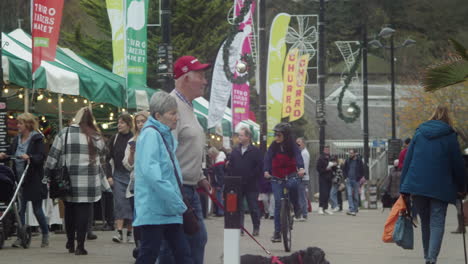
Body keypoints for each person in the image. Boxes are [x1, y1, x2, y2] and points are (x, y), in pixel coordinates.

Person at [158, 55, 211, 264]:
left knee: (189, 241)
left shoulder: (186, 106)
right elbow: (165, 152)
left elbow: (186, 149)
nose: (205, 81)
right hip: (177, 188)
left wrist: (200, 176)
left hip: (187, 187)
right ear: (185, 78)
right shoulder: (172, 108)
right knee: (179, 244)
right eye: (201, 75)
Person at [400, 105, 466, 264]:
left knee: (425, 223)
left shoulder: (419, 133)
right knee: (437, 222)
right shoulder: (450, 136)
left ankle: (427, 257)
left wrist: (404, 187)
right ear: (447, 118)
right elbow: (457, 164)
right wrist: (463, 187)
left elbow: (408, 160)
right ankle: (431, 258)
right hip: (441, 186)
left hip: (417, 185)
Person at [134, 91, 192, 264]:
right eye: (172, 113)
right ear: (158, 115)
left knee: (181, 254)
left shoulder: (160, 134)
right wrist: (177, 202)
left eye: (176, 113)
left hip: (165, 208)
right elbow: (153, 176)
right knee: (151, 254)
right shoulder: (152, 135)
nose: (177, 117)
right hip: (156, 208)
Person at [45, 107, 107, 255]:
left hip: (68, 182)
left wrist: (47, 174)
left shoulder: (64, 133)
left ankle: (70, 242)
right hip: (88, 183)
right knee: (83, 214)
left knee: (70, 211)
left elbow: (53, 156)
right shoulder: (95, 136)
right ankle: (80, 246)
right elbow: (104, 155)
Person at [0, 113, 49, 248]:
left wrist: (30, 157)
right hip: (18, 178)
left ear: (27, 124)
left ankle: (45, 233)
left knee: (37, 209)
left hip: (33, 178)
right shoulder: (17, 139)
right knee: (19, 209)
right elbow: (11, 153)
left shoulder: (37, 138)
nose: (18, 126)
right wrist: (4, 156)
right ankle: (21, 237)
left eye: (20, 123)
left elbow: (41, 156)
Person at [264, 123, 305, 243]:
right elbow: (267, 158)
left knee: (293, 185)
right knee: (277, 202)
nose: (276, 137)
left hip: (291, 174)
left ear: (285, 135)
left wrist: (301, 168)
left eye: (278, 134)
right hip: (277, 177)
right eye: (275, 134)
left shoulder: (292, 145)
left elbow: (298, 156)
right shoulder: (273, 146)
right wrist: (266, 170)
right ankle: (277, 232)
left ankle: (296, 207)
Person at [123, 110, 149, 256]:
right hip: (136, 183)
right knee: (137, 217)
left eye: (143, 121)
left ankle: (147, 247)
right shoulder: (132, 140)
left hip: (150, 184)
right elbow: (128, 164)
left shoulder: (154, 137)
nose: (140, 124)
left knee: (147, 216)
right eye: (138, 122)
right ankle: (139, 247)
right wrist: (132, 152)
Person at [228, 126, 263, 236]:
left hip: (251, 184)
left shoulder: (255, 151)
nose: (239, 137)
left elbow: (259, 167)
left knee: (253, 207)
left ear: (248, 137)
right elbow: (231, 165)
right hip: (238, 183)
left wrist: (252, 176)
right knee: (239, 208)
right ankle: (240, 228)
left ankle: (256, 227)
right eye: (239, 135)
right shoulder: (235, 151)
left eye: (241, 135)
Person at [107, 113, 134, 243]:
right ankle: (118, 232)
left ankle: (129, 233)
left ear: (128, 124)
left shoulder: (134, 138)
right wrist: (109, 176)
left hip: (131, 176)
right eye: (118, 122)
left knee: (130, 204)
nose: (119, 125)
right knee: (119, 203)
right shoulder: (114, 138)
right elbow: (107, 158)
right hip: (117, 175)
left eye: (122, 122)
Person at [343, 149, 364, 216]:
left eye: (351, 153)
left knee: (355, 196)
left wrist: (359, 178)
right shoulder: (348, 160)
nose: (350, 154)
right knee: (349, 195)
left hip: (356, 181)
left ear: (355, 154)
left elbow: (362, 170)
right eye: (349, 153)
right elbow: (344, 169)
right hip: (349, 180)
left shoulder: (359, 161)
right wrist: (346, 177)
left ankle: (355, 209)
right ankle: (351, 209)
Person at [315, 146, 334, 215]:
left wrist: (334, 165)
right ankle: (320, 207)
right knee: (323, 193)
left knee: (328, 194)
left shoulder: (330, 157)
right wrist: (325, 169)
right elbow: (318, 168)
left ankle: (325, 208)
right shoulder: (321, 158)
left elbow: (333, 167)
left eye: (328, 150)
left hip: (329, 178)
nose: (327, 151)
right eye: (326, 149)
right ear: (323, 150)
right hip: (323, 178)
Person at [207, 147, 226, 217]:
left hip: (219, 183)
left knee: (219, 197)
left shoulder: (219, 162)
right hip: (219, 182)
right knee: (219, 197)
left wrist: (219, 184)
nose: (210, 157)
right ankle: (219, 211)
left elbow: (220, 175)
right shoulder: (219, 160)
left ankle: (220, 212)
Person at [295, 137, 310, 221]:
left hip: (302, 177)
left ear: (303, 143)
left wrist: (301, 174)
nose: (297, 144)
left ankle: (303, 214)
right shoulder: (301, 152)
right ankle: (303, 213)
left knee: (301, 196)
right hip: (302, 177)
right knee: (301, 196)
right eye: (296, 142)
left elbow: (304, 166)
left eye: (299, 142)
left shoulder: (304, 153)